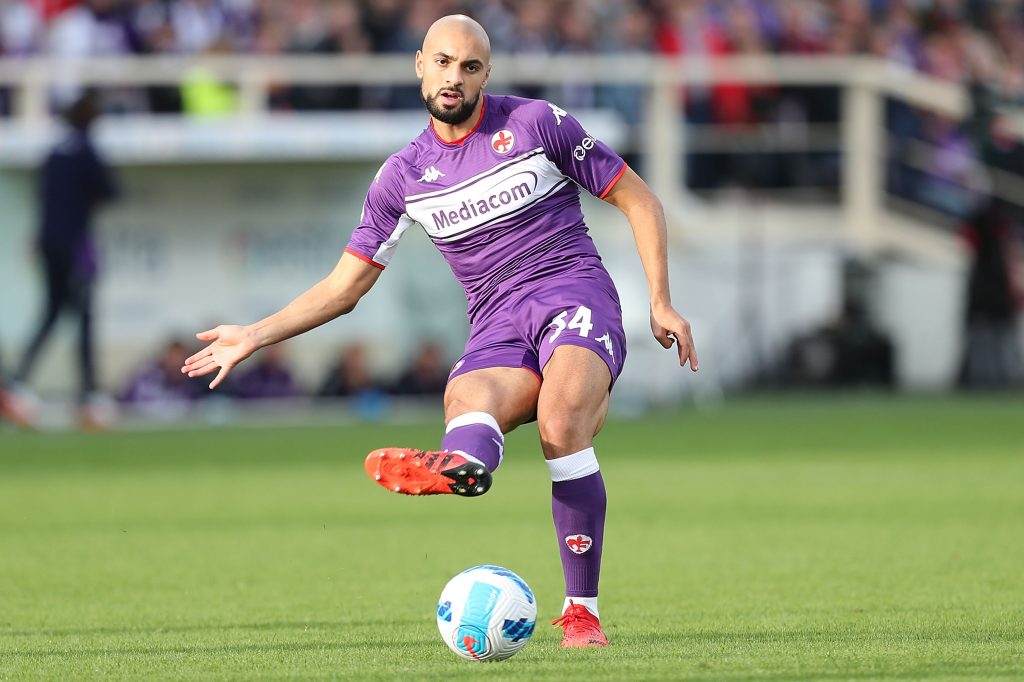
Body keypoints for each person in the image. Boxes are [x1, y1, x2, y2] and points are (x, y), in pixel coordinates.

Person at [181, 15, 697, 650]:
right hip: (495, 322)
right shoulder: (402, 176)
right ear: (419, 65)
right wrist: (254, 336)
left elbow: (639, 200)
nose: (455, 77)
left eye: (471, 67)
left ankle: (582, 615)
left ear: (487, 74)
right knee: (464, 399)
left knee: (562, 425)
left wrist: (662, 301)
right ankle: (464, 467)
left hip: (573, 294)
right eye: (444, 62)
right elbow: (345, 287)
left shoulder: (538, 125)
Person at [14, 89, 118, 428]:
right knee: (85, 318)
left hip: (49, 244)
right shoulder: (85, 150)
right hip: (76, 245)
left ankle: (17, 383)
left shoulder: (54, 152)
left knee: (51, 313)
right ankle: (88, 396)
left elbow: (44, 197)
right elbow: (109, 190)